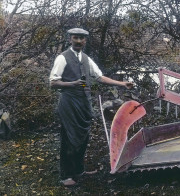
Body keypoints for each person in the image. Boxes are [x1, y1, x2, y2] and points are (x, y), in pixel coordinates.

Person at [49, 28, 133, 187]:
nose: (79, 41)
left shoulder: (86, 59)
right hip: (69, 103)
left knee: (83, 138)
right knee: (69, 139)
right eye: (75, 38)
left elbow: (100, 77)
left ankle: (79, 170)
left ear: (85, 41)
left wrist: (122, 83)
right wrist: (71, 84)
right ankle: (66, 175)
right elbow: (53, 83)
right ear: (70, 39)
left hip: (83, 103)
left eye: (82, 38)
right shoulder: (62, 58)